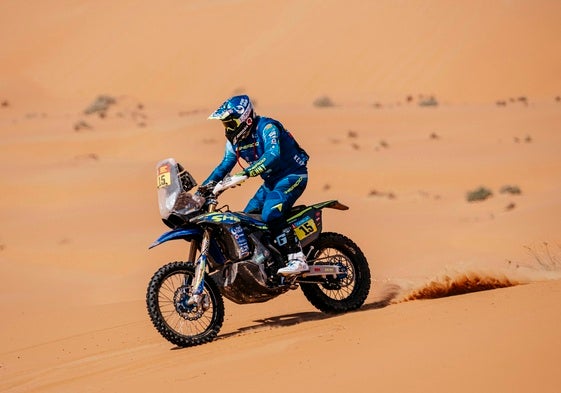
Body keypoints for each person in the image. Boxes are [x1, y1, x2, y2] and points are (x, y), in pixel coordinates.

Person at [198, 95, 310, 275]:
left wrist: (244, 174)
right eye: (225, 124)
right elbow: (224, 166)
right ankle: (271, 260)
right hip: (271, 182)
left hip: (292, 176)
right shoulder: (235, 142)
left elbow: (272, 155)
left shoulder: (267, 127)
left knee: (271, 213)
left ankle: (297, 257)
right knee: (247, 220)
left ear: (246, 119)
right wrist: (201, 192)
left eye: (231, 123)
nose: (228, 129)